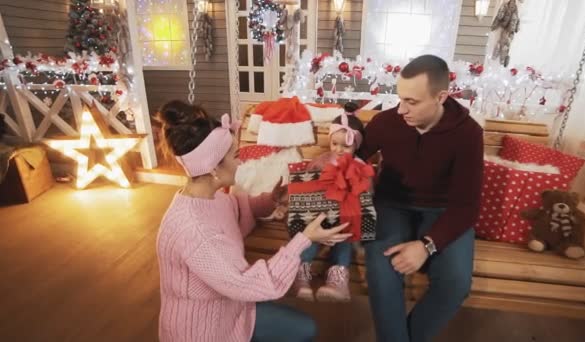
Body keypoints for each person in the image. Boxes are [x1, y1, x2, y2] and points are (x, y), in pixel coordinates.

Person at [155, 100, 352, 342]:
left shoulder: (210, 198)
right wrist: (304, 239)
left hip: (231, 306)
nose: (241, 161)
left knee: (305, 328)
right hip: (205, 331)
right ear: (214, 168)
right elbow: (250, 285)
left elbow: (238, 209)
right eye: (234, 156)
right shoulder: (195, 231)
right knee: (299, 324)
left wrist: (272, 198)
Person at [358, 55, 484, 342]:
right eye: (400, 98)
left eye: (412, 102)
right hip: (391, 204)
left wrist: (426, 246)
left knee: (455, 283)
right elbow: (353, 159)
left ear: (441, 96)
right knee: (383, 268)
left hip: (444, 211)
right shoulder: (386, 122)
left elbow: (467, 206)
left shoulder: (468, 134)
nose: (401, 109)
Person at [292, 102, 366, 302]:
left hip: (345, 221)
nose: (339, 149)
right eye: (335, 144)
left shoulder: (360, 167)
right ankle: (302, 273)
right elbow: (306, 190)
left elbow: (366, 197)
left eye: (346, 145)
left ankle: (338, 278)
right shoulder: (320, 161)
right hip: (318, 217)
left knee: (345, 239)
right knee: (309, 236)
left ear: (356, 145)